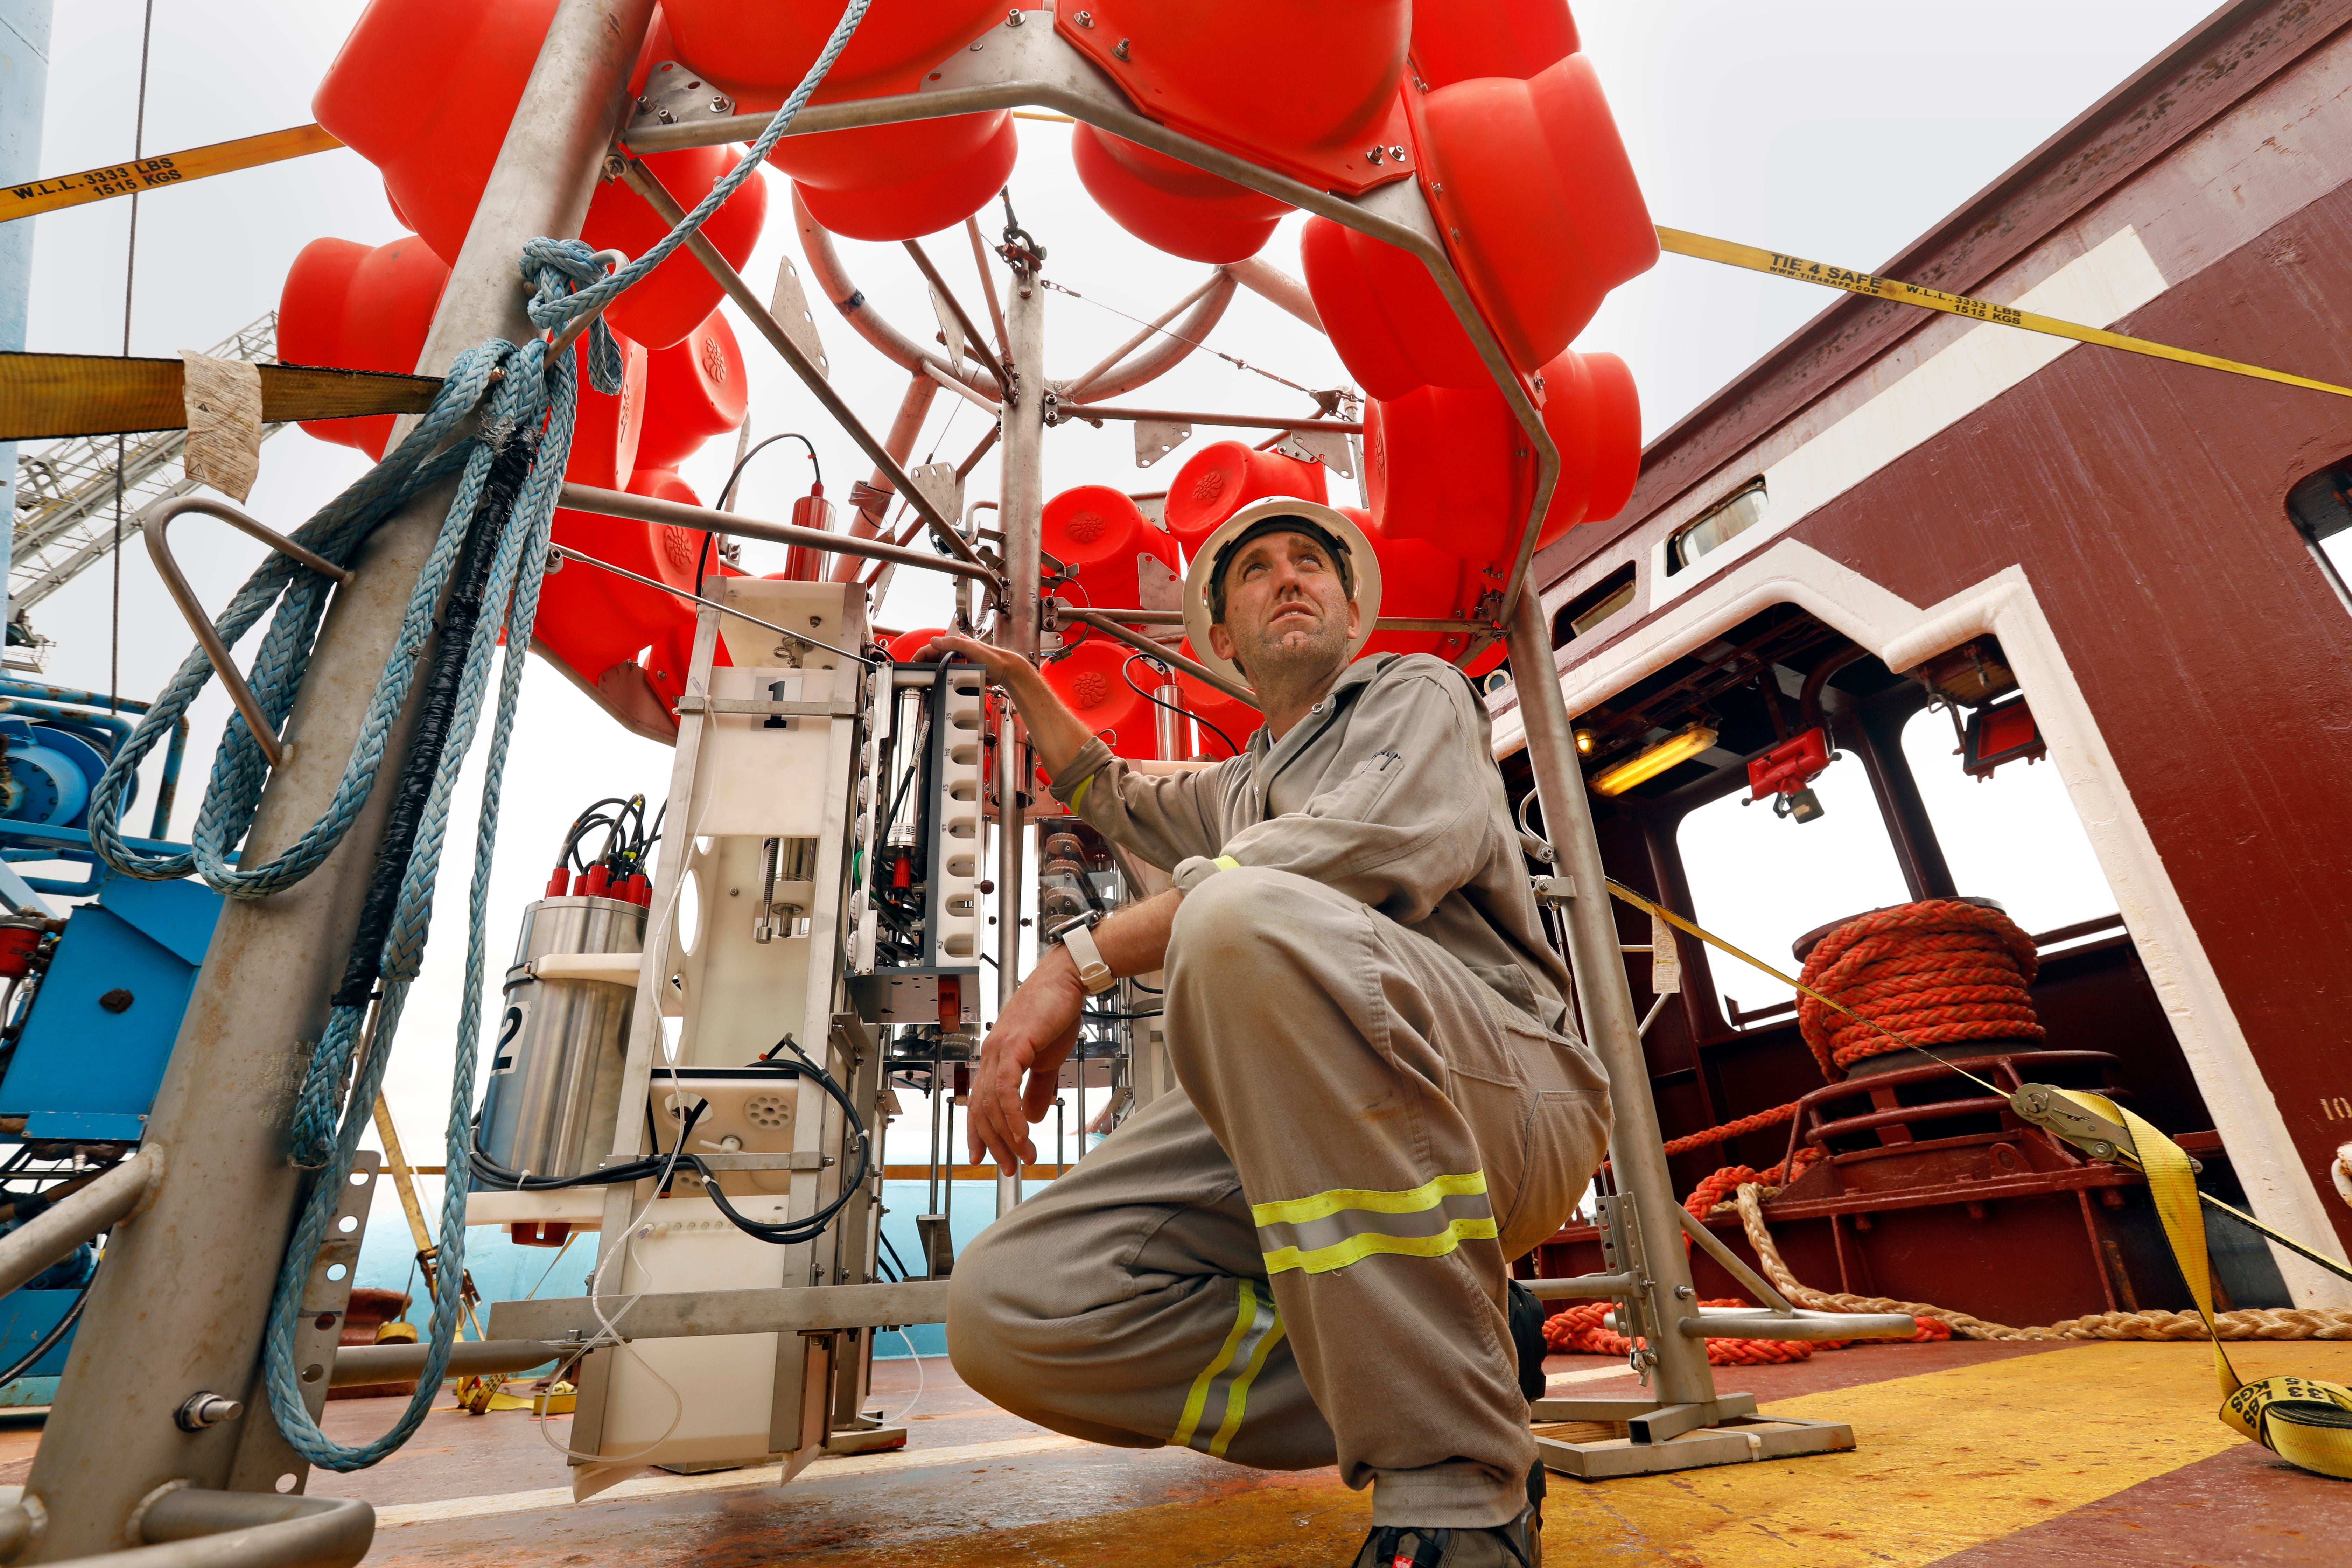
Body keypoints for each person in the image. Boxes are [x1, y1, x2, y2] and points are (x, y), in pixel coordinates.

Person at [933, 498, 1610, 1568]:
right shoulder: (1238, 787)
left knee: (1238, 911)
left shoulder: (1415, 692)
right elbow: (1106, 792)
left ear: (1351, 610)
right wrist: (1025, 685)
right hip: (1318, 1119)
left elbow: (1352, 846)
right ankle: (1458, 1353)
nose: (1288, 578)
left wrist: (1075, 960)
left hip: (1503, 1095)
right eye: (1256, 571)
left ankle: (1455, 1484)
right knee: (1015, 1306)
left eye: (1311, 563)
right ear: (1225, 638)